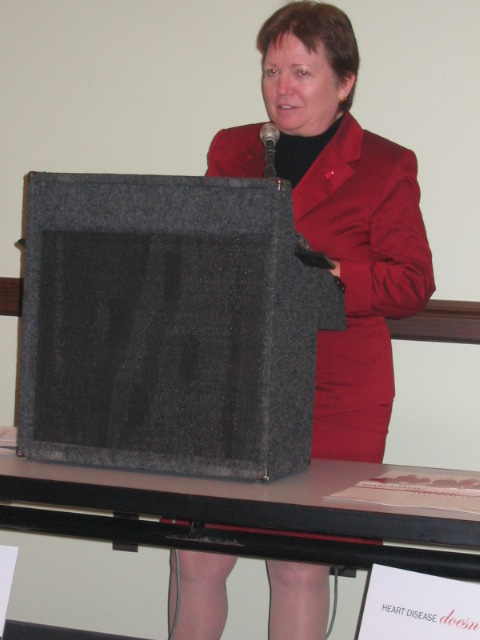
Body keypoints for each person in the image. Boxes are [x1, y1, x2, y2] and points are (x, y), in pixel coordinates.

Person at [168, 2, 435, 639]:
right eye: (270, 70)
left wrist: (335, 274)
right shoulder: (233, 148)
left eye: (301, 72)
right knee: (197, 554)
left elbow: (412, 282)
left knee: (297, 564)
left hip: (334, 391)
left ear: (344, 83)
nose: (281, 88)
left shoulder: (385, 164)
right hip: (228, 380)